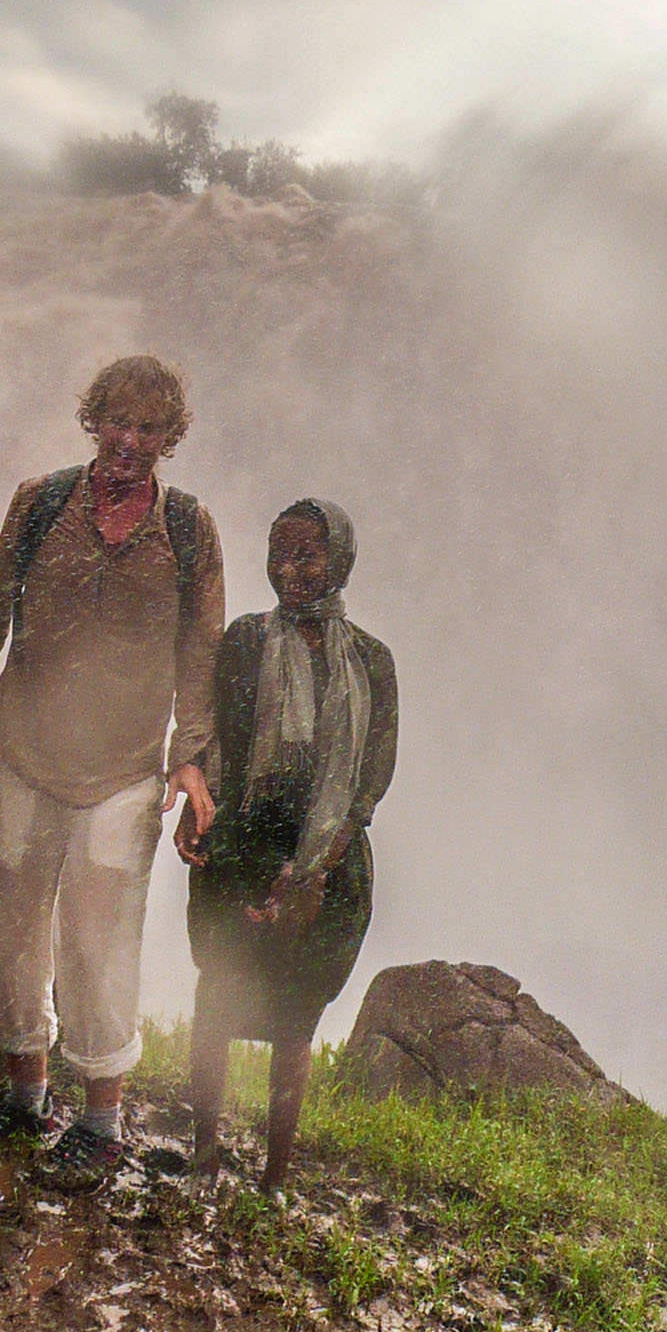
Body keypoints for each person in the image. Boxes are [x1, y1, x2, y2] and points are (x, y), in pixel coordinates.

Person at [0, 354, 224, 1191]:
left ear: (170, 439)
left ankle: (101, 1121)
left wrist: (190, 763)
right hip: (25, 749)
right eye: (116, 422)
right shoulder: (41, 501)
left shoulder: (191, 530)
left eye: (149, 429)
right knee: (13, 923)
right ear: (92, 420)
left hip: (126, 767)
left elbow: (200, 654)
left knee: (101, 939)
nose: (129, 441)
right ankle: (25, 1096)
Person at [178, 499, 397, 1193]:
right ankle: (203, 1156)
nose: (288, 570)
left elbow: (369, 781)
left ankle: (274, 1179)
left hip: (326, 862)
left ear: (339, 561)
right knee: (217, 999)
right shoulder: (244, 640)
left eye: (306, 555)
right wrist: (203, 817)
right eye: (278, 553)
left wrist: (307, 876)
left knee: (295, 1018)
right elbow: (218, 744)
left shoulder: (369, 660)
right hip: (242, 843)